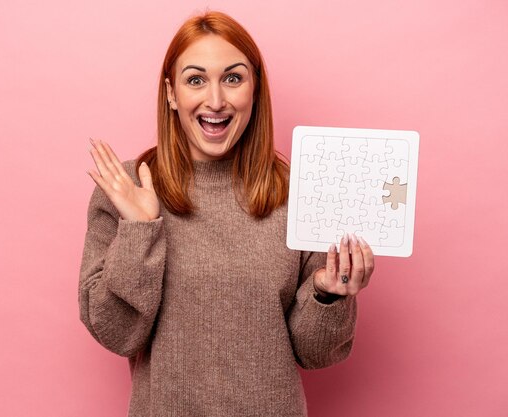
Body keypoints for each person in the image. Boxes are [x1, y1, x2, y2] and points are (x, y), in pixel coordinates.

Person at [79, 10, 375, 417]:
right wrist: (139, 229)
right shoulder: (126, 188)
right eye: (195, 79)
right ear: (171, 93)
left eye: (233, 78)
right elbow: (117, 334)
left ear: (255, 89)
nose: (215, 101)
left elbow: (315, 354)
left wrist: (327, 293)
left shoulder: (298, 192)